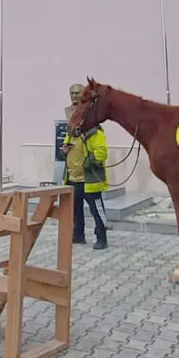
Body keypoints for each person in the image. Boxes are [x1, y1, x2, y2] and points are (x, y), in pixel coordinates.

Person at [60, 83, 109, 248]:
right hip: (73, 177)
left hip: (89, 179)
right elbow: (67, 144)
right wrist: (65, 150)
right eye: (71, 93)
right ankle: (78, 234)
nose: (74, 96)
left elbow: (101, 152)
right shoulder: (71, 131)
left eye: (77, 93)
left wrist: (87, 163)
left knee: (96, 209)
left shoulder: (95, 132)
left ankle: (102, 237)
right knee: (76, 210)